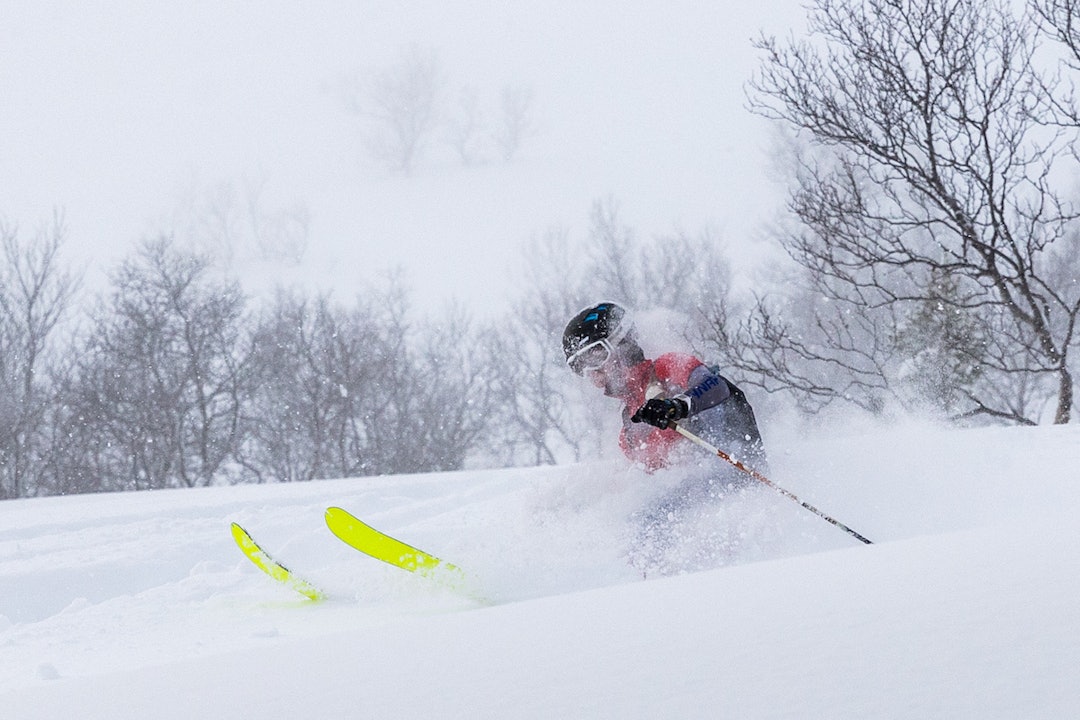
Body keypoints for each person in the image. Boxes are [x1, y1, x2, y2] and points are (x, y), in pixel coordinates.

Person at [562, 301, 768, 573]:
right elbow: (651, 481)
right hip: (693, 509)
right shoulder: (630, 426)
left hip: (732, 478)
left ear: (622, 343)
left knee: (653, 520)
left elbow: (715, 387)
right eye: (581, 368)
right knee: (643, 523)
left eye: (594, 358)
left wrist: (678, 405)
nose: (593, 375)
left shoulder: (667, 368)